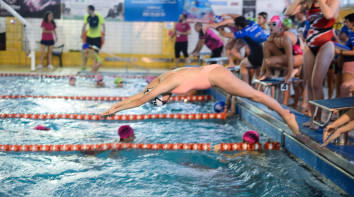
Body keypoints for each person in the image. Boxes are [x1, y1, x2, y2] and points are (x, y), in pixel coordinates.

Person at [100, 65, 299, 135]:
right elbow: (141, 96)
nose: (168, 100)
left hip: (215, 76)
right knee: (247, 94)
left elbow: (140, 101)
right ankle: (284, 113)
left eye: (163, 100)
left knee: (253, 95)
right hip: (210, 72)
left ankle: (285, 114)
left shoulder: (165, 85)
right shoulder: (158, 81)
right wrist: (114, 107)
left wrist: (117, 110)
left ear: (162, 95)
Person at [285, 0, 340, 130]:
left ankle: (319, 118)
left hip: (326, 43)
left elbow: (328, 15)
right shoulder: (309, 3)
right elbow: (289, 12)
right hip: (310, 44)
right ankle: (312, 117)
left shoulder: (334, 1)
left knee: (316, 83)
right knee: (309, 83)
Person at [207, 16, 268, 83]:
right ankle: (256, 90)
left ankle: (245, 88)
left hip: (260, 53)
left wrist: (218, 28)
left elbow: (226, 34)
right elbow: (237, 16)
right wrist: (227, 14)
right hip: (267, 48)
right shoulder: (252, 23)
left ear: (239, 27)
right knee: (259, 74)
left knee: (243, 64)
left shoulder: (243, 32)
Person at [259, 16, 304, 106]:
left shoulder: (285, 38)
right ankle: (284, 103)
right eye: (269, 24)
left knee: (297, 83)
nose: (271, 27)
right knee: (266, 45)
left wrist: (289, 75)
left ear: (280, 26)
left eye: (274, 24)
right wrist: (263, 71)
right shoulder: (272, 37)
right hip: (287, 59)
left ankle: (288, 104)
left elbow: (290, 57)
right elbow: (266, 56)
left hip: (299, 58)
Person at [81, 5, 105, 70]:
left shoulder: (99, 16)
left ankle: (95, 67)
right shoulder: (87, 16)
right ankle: (84, 66)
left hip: (97, 38)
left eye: (88, 9)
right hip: (89, 37)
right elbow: (84, 26)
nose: (87, 11)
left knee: (96, 54)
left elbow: (103, 25)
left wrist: (103, 35)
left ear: (91, 10)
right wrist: (82, 34)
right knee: (86, 52)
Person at [337, 13, 354, 98]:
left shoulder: (353, 35)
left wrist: (340, 52)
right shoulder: (351, 35)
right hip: (349, 64)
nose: (346, 24)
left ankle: (347, 111)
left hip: (350, 64)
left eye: (347, 22)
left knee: (346, 90)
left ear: (352, 22)